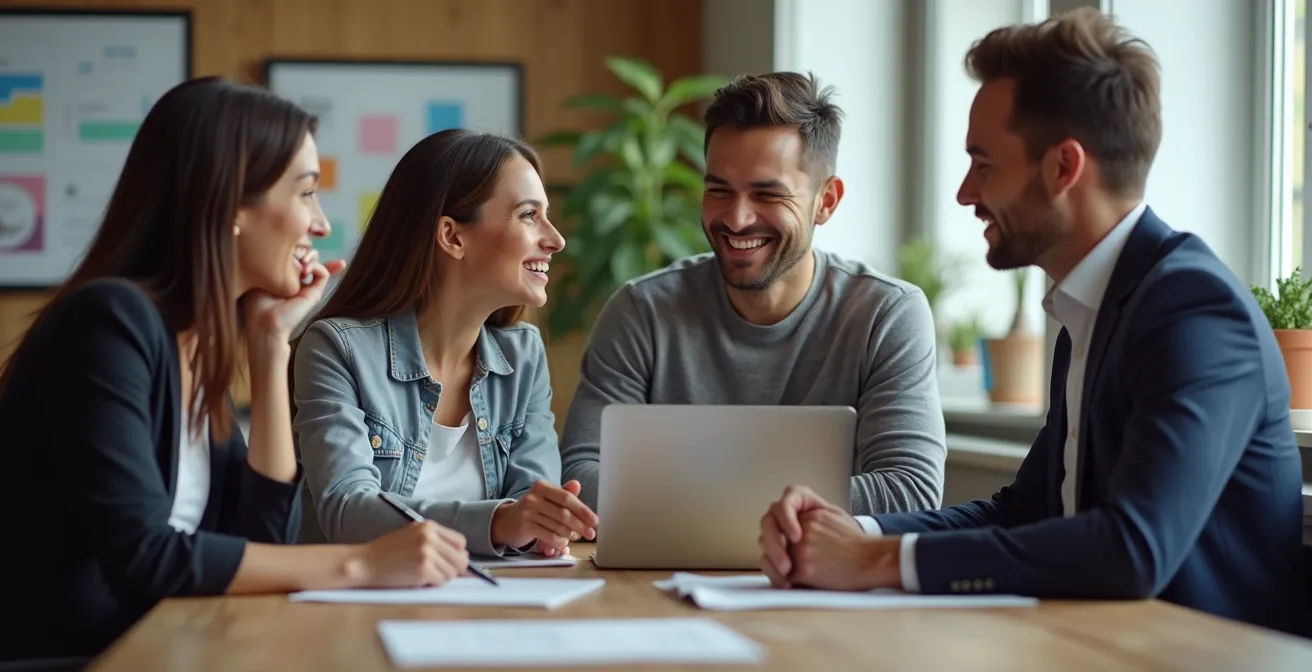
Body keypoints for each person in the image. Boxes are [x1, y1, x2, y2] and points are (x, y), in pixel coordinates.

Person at [757, 8, 1310, 637]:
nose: (965, 193)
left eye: (984, 163)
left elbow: (1133, 550)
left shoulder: (1193, 312)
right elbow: (1025, 511)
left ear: (1063, 168)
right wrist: (846, 530)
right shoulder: (1092, 308)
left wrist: (876, 560)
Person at [0, 78, 474, 665]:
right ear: (229, 205)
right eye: (305, 193)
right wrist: (363, 562)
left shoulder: (197, 346)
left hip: (166, 648)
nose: (320, 224)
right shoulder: (108, 324)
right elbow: (146, 555)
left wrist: (271, 344)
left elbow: (258, 543)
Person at [559, 71, 948, 516]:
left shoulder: (885, 313)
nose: (737, 219)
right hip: (661, 575)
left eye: (767, 195)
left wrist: (704, 502)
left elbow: (910, 491)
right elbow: (580, 477)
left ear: (826, 201)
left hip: (825, 580)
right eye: (718, 191)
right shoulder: (642, 311)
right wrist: (759, 505)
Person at [291, 129, 598, 560]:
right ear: (453, 237)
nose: (555, 239)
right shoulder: (337, 349)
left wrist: (544, 525)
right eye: (529, 215)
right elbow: (347, 510)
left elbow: (533, 501)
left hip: (488, 605)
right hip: (354, 611)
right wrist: (500, 522)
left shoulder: (523, 355)